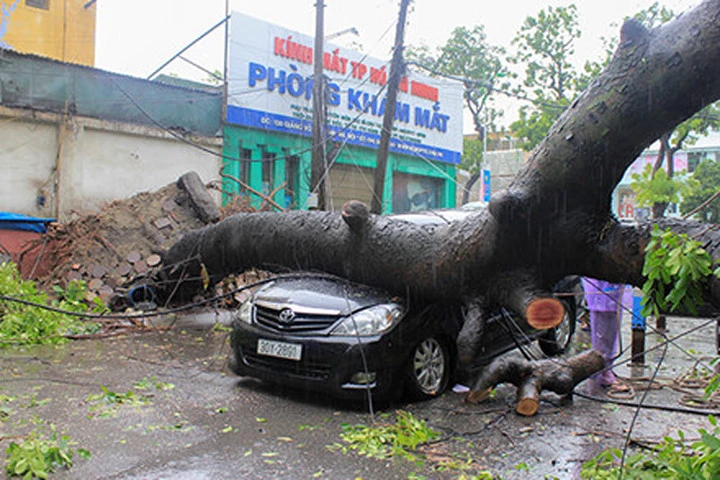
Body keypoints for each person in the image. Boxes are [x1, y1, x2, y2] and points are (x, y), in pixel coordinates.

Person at [581, 278, 625, 387]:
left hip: (610, 296)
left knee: (609, 334)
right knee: (603, 335)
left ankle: (605, 370)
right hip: (602, 296)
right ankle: (602, 372)